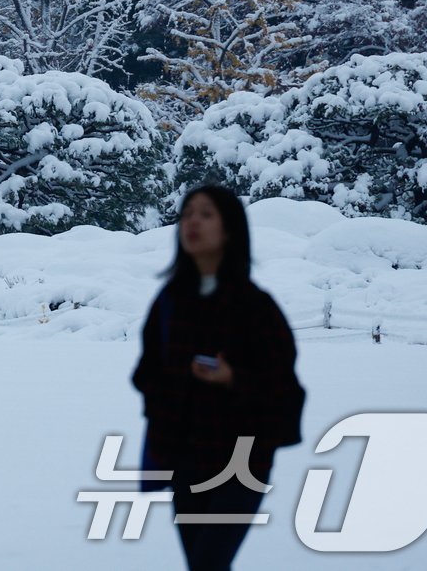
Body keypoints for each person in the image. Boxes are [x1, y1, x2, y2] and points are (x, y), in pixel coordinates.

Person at [132, 185, 304, 571]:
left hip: (242, 460)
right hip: (186, 457)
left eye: (206, 214)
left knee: (209, 563)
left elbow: (284, 387)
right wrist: (172, 385)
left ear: (229, 230)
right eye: (187, 213)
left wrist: (233, 378)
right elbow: (146, 373)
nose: (192, 221)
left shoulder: (255, 306)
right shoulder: (170, 301)